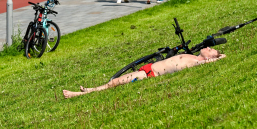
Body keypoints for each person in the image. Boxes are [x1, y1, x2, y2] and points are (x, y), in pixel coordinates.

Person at [62, 48, 226, 98]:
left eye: (211, 50)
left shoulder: (197, 62)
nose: (208, 48)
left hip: (148, 75)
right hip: (149, 68)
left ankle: (79, 94)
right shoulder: (193, 55)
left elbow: (212, 60)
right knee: (115, 81)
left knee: (114, 83)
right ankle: (90, 90)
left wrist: (219, 58)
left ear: (209, 58)